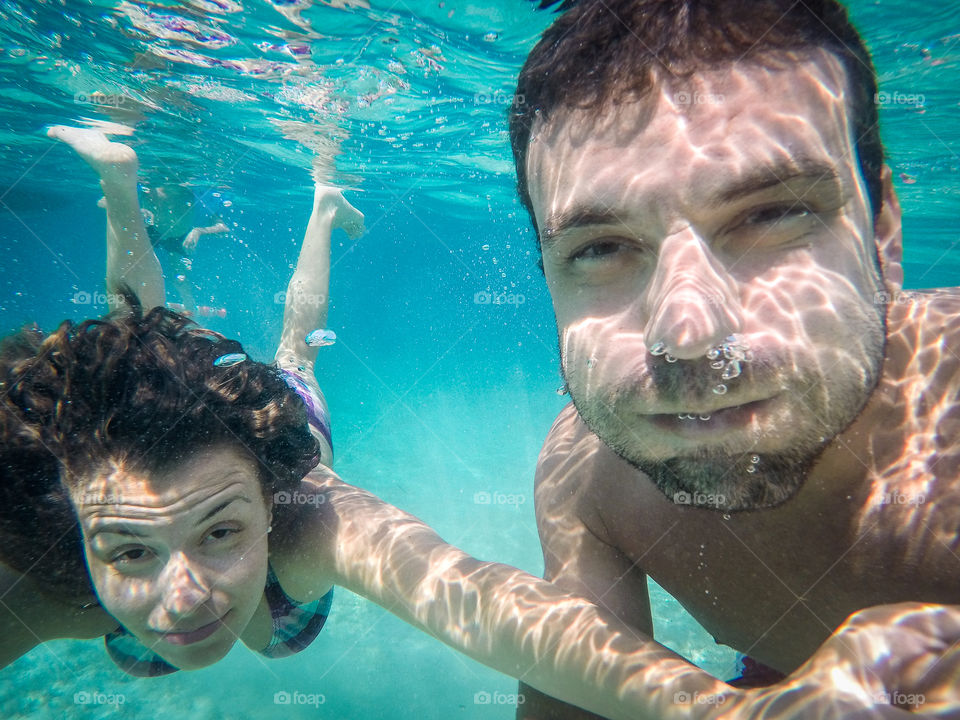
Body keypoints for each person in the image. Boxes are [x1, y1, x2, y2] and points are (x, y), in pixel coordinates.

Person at [507, 0, 960, 717]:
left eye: (770, 214)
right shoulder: (586, 479)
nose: (687, 334)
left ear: (885, 234)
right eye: (600, 249)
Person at [48, 125, 229, 316]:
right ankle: (182, 312)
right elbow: (102, 203)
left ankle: (188, 309)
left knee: (180, 279)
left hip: (181, 238)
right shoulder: (151, 189)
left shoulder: (205, 193)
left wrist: (199, 230)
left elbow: (223, 227)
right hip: (153, 231)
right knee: (132, 266)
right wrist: (137, 210)